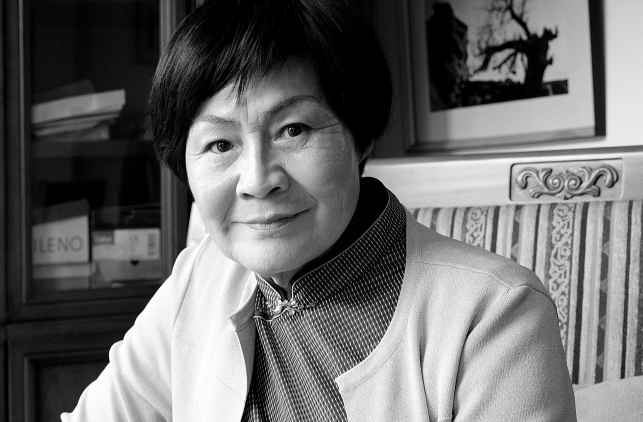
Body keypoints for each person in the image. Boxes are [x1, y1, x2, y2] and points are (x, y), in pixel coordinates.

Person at [62, 0, 576, 420]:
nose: (258, 180)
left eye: (294, 130)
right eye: (220, 144)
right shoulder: (198, 281)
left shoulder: (495, 315)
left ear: (361, 134)